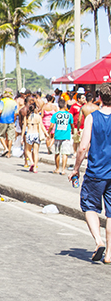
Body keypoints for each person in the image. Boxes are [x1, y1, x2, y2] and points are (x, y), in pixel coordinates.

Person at [71, 83, 111, 263]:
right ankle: (109, 253)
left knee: (89, 207)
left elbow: (83, 146)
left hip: (96, 171)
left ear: (99, 97)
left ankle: (98, 240)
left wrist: (75, 168)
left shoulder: (92, 117)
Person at [49, 99, 73, 175]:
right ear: (65, 105)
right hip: (66, 136)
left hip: (57, 135)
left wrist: (48, 132)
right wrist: (72, 130)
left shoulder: (55, 115)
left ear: (58, 106)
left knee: (57, 153)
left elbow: (51, 125)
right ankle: (63, 170)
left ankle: (57, 168)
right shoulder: (69, 115)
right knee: (65, 153)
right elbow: (72, 124)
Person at [23, 99, 47, 173]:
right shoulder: (38, 117)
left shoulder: (27, 117)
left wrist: (21, 137)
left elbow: (24, 127)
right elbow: (42, 126)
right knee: (36, 152)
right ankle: (35, 168)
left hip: (29, 134)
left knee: (28, 150)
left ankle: (31, 162)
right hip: (36, 134)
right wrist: (46, 134)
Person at [0, 90, 17, 157]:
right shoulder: (14, 102)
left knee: (1, 135)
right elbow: (15, 113)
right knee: (10, 137)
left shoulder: (3, 101)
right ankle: (9, 153)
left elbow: (0, 111)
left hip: (3, 120)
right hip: (11, 121)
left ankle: (5, 148)